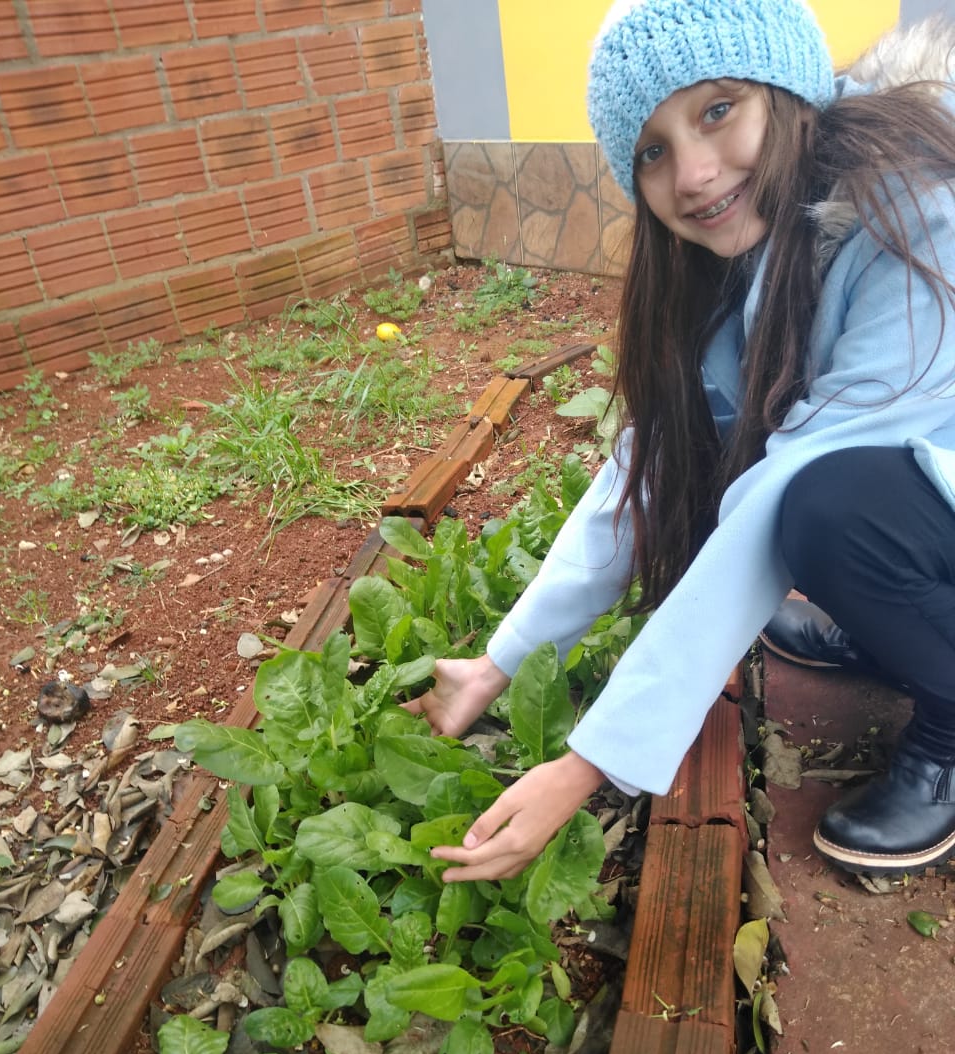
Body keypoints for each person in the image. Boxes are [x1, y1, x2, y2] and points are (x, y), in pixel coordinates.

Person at [406, 0, 955, 882]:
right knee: (822, 504)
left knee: (828, 505)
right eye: (652, 151)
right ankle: (895, 631)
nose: (693, 175)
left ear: (790, 88)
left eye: (717, 110)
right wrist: (500, 661)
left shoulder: (920, 207)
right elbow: (657, 460)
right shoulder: (756, 247)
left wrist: (588, 763)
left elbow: (798, 476)